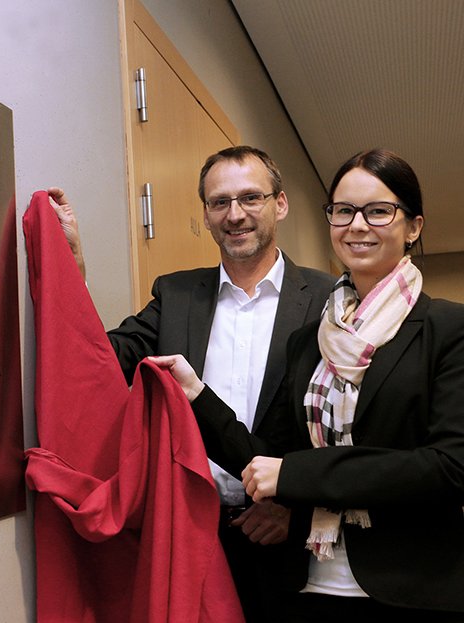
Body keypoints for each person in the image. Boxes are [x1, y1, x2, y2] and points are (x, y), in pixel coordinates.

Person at [155, 149, 464, 621]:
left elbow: (449, 469)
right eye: (343, 211)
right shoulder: (311, 342)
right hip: (308, 586)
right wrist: (196, 394)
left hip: (411, 589)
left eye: (378, 211)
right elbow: (266, 453)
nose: (357, 225)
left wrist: (300, 477)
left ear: (414, 227)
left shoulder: (447, 327)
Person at [49, 145, 335, 622]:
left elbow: (343, 427)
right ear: (205, 213)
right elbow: (102, 363)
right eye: (219, 202)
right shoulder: (176, 294)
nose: (235, 215)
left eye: (251, 198)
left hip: (288, 542)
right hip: (191, 532)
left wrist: (296, 508)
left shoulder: (327, 297)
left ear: (280, 204)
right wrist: (72, 268)